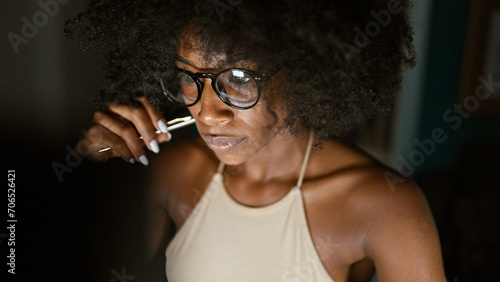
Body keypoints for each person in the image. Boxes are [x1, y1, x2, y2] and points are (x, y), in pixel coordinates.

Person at [66, 0, 446, 281]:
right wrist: (90, 163)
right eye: (189, 77)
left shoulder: (385, 205)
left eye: (240, 79)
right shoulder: (174, 171)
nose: (208, 113)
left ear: (305, 70)